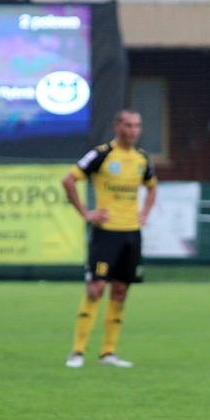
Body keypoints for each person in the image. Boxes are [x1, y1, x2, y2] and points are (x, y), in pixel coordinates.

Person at [61, 109, 157, 368]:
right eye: (129, 125)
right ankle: (77, 352)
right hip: (106, 233)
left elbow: (152, 187)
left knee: (121, 290)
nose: (134, 130)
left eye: (137, 125)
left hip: (131, 234)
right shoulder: (101, 154)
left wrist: (145, 213)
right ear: (117, 127)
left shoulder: (142, 158)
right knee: (96, 288)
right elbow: (68, 180)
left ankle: (108, 353)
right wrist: (87, 213)